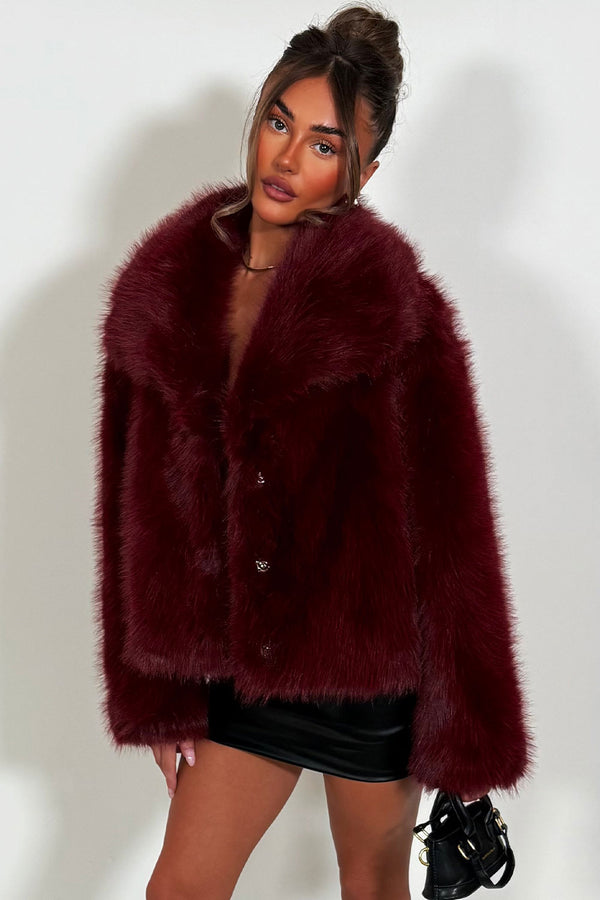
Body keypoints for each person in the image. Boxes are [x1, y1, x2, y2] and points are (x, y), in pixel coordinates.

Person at [93, 5, 535, 898]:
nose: (287, 158)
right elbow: (127, 509)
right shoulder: (164, 290)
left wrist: (467, 730)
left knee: (372, 888)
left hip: (366, 669)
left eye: (325, 144)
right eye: (279, 121)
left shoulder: (396, 308)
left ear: (364, 170)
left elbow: (453, 530)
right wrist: (157, 692)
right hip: (237, 670)